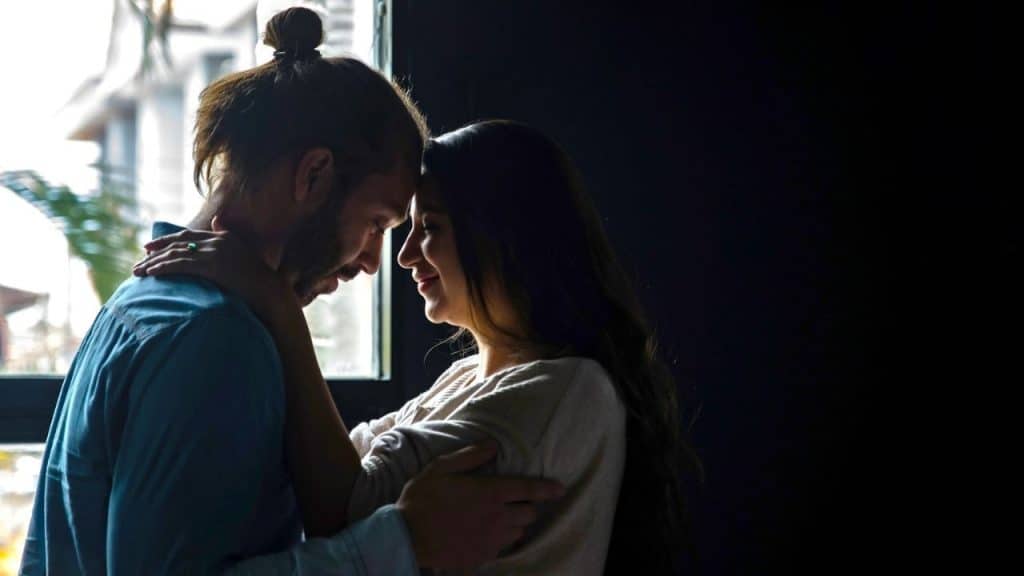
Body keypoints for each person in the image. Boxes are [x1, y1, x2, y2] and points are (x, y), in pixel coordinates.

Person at [21, 8, 561, 575]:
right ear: (314, 175)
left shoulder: (139, 301)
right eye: (376, 224)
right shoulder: (214, 338)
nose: (372, 263)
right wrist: (403, 543)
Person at [138, 120, 701, 573]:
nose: (405, 256)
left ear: (502, 235)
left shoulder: (569, 391)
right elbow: (349, 467)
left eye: (428, 227)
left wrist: (279, 309)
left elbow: (343, 508)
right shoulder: (468, 378)